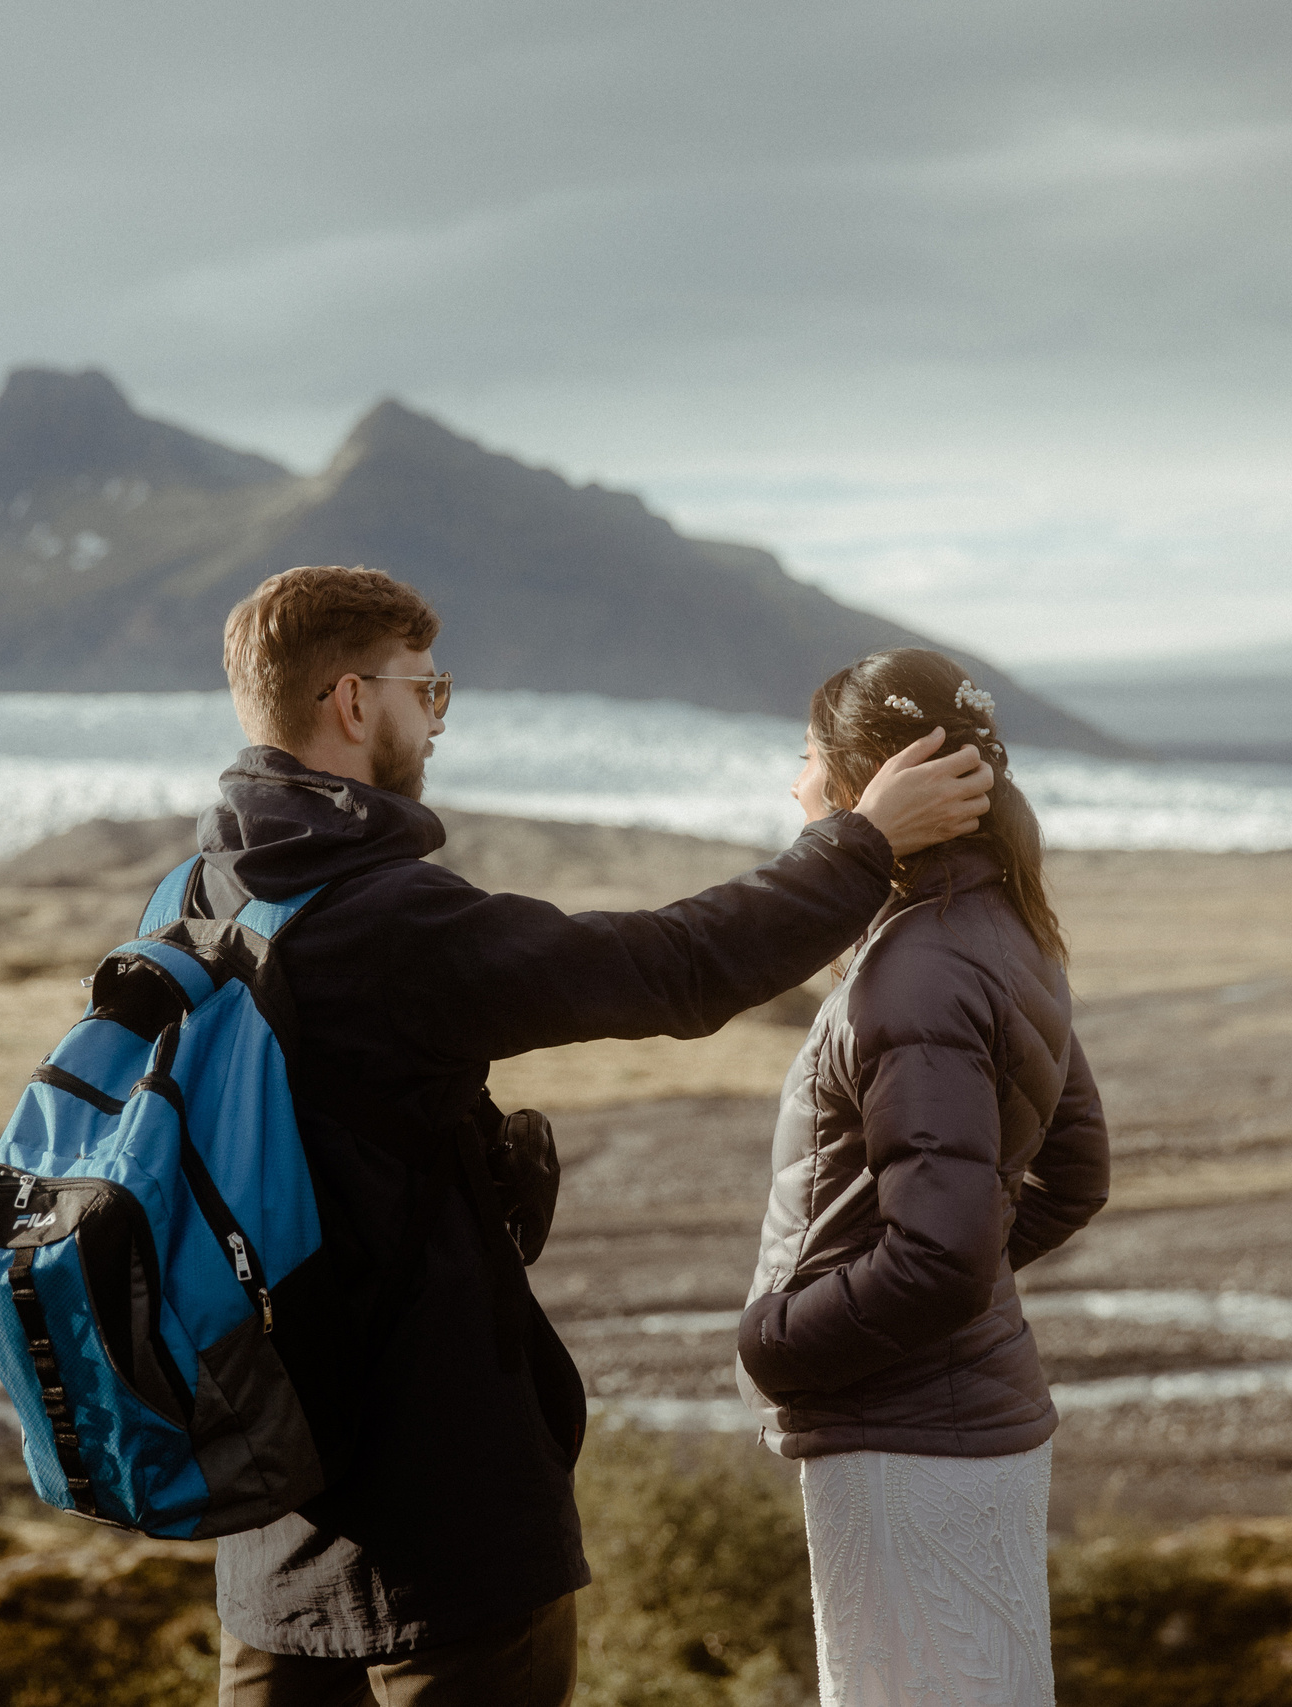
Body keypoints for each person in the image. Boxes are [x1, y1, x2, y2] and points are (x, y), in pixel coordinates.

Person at [197, 567, 996, 1706]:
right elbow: (664, 969)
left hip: (271, 1496)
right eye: (428, 690)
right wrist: (863, 847)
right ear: (350, 700)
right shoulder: (384, 922)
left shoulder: (200, 895)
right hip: (441, 1504)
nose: (436, 718)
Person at [735, 647, 1111, 1707]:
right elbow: (1070, 1176)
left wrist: (776, 1338)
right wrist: (957, 1278)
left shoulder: (915, 970)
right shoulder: (1007, 930)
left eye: (807, 758)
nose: (793, 783)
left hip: (901, 1437)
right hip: (968, 1422)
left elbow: (941, 1252)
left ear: (865, 786)